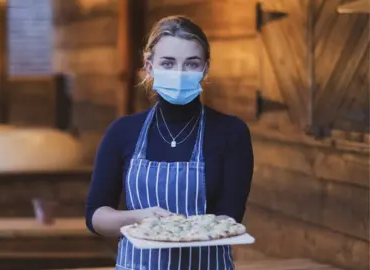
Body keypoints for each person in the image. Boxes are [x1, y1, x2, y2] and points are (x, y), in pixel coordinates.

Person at [85, 15, 254, 270]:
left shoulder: (232, 132)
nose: (179, 74)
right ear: (149, 66)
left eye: (191, 64)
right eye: (168, 63)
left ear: (205, 68)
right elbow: (95, 216)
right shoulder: (122, 132)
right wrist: (139, 219)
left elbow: (229, 218)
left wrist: (176, 230)